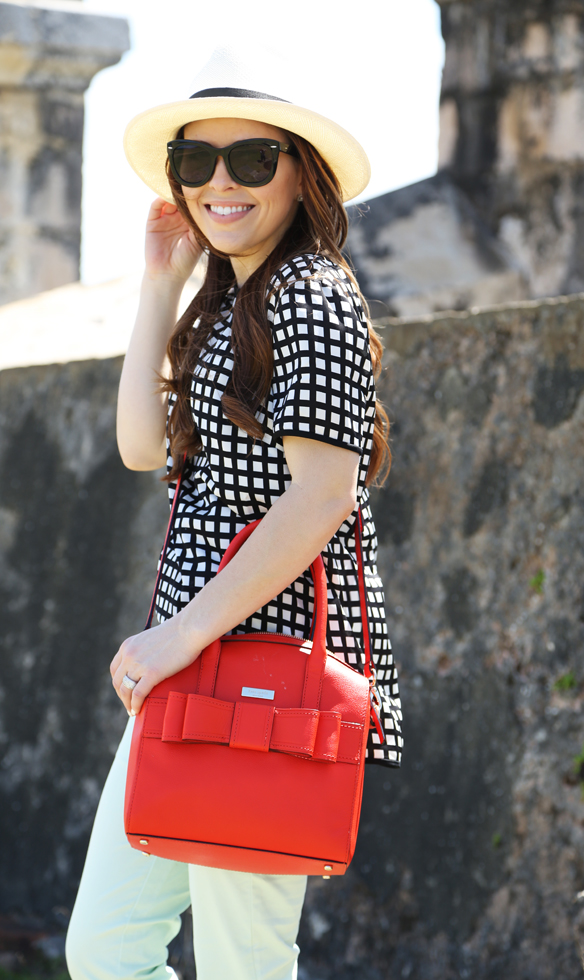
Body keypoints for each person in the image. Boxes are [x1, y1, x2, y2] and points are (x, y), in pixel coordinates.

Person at [65, 53, 403, 980]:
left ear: (301, 174)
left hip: (261, 680)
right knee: (104, 950)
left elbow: (324, 497)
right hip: (193, 667)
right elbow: (142, 445)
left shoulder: (314, 295)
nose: (220, 181)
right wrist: (158, 286)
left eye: (253, 160)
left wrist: (179, 635)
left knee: (243, 963)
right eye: (196, 160)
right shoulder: (233, 301)